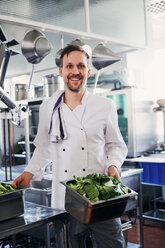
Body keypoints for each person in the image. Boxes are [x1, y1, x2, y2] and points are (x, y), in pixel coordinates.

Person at [13, 43, 128, 248]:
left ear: (88, 71)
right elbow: (43, 147)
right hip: (66, 201)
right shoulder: (49, 106)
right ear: (61, 71)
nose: (75, 71)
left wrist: (114, 166)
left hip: (101, 197)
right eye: (70, 66)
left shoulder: (104, 106)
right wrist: (30, 172)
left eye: (81, 66)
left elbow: (116, 145)